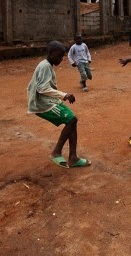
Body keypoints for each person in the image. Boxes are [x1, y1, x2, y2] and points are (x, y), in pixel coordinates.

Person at [27, 40, 91, 169]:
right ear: (50, 53)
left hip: (49, 101)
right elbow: (42, 88)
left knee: (72, 120)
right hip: (43, 105)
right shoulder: (45, 66)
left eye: (62, 56)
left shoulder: (47, 65)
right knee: (71, 120)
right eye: (60, 56)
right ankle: (56, 152)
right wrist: (64, 95)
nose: (62, 59)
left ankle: (73, 157)